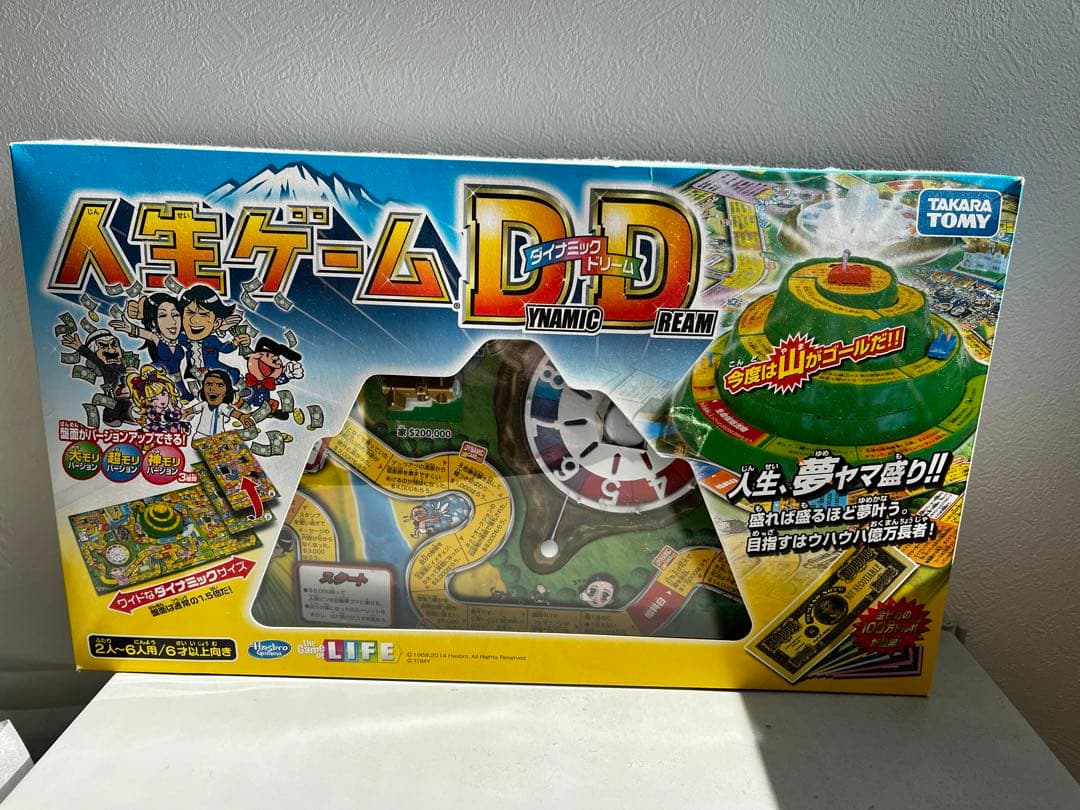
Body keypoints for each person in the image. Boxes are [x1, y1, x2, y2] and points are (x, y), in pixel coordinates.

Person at [110, 292, 191, 399]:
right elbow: (143, 333)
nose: (172, 321)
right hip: (155, 374)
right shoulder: (157, 338)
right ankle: (128, 387)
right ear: (154, 322)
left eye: (175, 315)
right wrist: (130, 328)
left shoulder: (181, 338)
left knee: (184, 395)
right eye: (163, 315)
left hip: (176, 378)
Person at [61, 327, 134, 426]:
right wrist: (81, 348)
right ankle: (110, 417)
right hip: (113, 394)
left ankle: (126, 415)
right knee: (113, 403)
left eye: (114, 345)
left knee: (128, 402)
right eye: (103, 346)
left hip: (125, 392)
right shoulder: (105, 368)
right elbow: (96, 360)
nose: (111, 349)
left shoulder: (122, 366)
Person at [177, 285, 250, 383]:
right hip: (193, 372)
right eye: (190, 312)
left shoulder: (211, 340)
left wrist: (235, 343)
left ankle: (234, 387)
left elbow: (224, 348)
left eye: (203, 315)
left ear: (216, 323)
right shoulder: (184, 338)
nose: (194, 320)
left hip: (213, 368)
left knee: (233, 372)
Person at [186, 369, 255, 439]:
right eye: (208, 384)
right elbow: (189, 410)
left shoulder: (222, 406)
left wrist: (241, 416)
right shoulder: (203, 404)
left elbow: (233, 412)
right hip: (200, 436)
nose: (212, 388)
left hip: (218, 438)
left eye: (219, 385)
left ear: (227, 391)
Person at [244, 337, 304, 417]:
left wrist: (288, 375)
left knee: (274, 403)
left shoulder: (270, 381)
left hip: (262, 402)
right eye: (267, 355)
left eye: (277, 361)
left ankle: (269, 413)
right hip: (246, 401)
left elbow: (277, 380)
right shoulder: (247, 380)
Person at [127, 365, 187, 434]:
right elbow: (152, 418)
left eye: (163, 394)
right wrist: (157, 412)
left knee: (176, 427)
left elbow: (178, 416)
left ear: (169, 392)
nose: (161, 400)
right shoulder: (151, 409)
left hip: (172, 426)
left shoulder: (173, 406)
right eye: (153, 399)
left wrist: (171, 408)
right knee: (148, 428)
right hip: (157, 427)